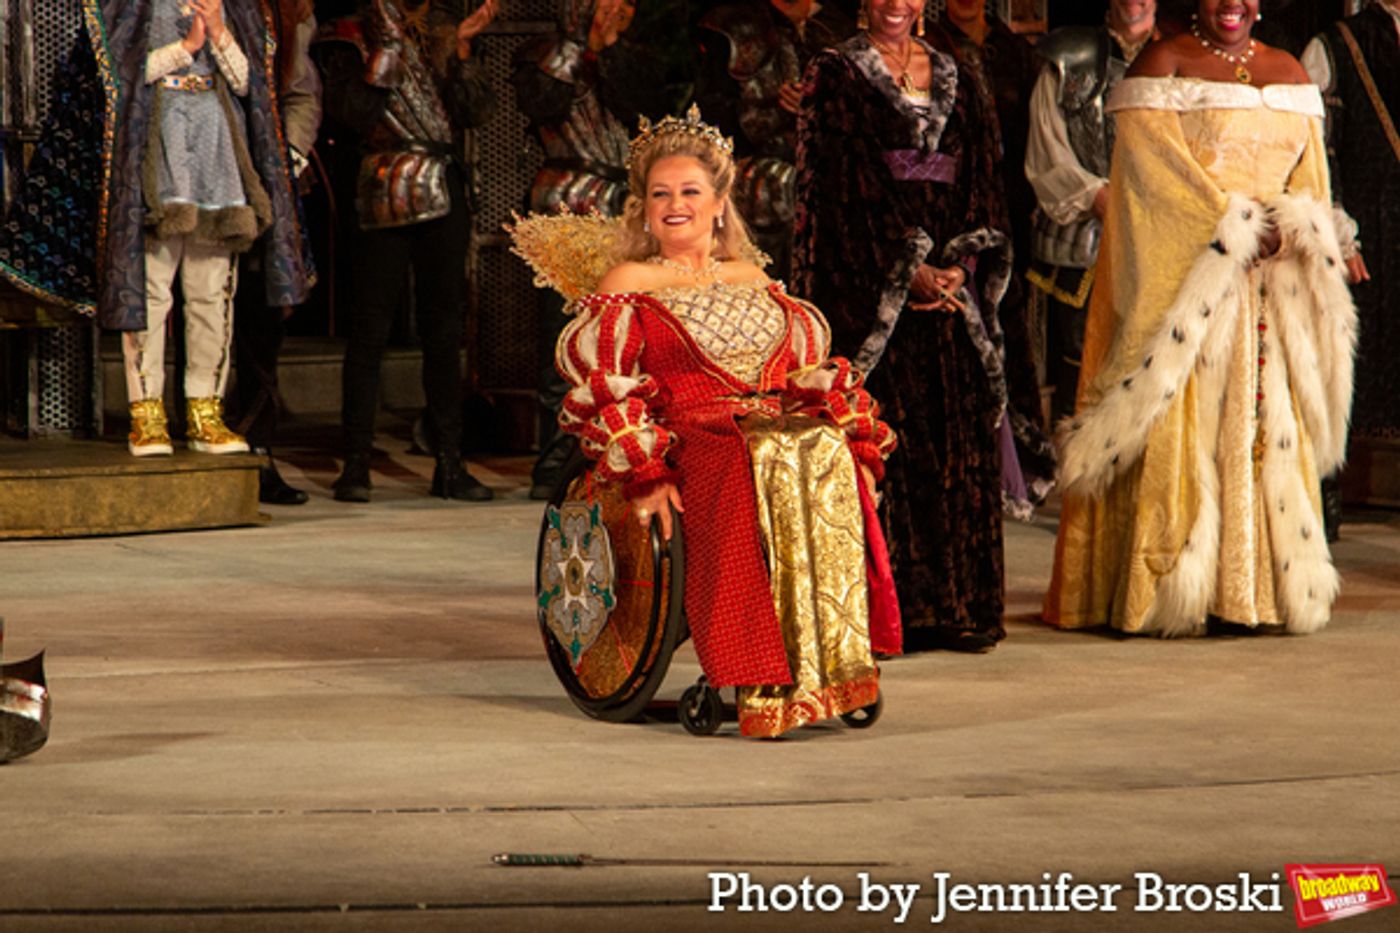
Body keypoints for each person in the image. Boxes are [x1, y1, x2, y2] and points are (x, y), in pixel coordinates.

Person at [514, 105, 900, 738]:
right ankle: (758, 669)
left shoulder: (753, 278)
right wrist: (644, 470)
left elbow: (803, 369)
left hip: (771, 425)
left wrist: (846, 435)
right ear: (641, 207)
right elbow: (605, 384)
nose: (675, 205)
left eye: (690, 192)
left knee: (820, 446)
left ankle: (829, 663)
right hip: (692, 433)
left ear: (720, 202)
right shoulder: (630, 281)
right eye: (660, 194)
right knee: (745, 458)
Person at [1043, 0, 1359, 637]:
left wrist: (1294, 227)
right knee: (1180, 422)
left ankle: (1254, 590)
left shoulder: (1290, 71)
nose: (1232, 6)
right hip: (1193, 282)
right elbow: (1148, 180)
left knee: (1269, 427)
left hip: (1271, 293)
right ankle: (1167, 593)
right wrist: (1237, 227)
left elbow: (1313, 180)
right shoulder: (1165, 63)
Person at [793, 0, 1049, 654]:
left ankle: (960, 609)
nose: (894, 5)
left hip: (953, 291)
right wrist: (906, 267)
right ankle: (887, 615)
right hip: (874, 293)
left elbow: (984, 177)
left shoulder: (960, 70)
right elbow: (835, 190)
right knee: (892, 447)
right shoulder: (837, 75)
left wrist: (960, 261)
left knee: (958, 443)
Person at [0, 1, 312, 458]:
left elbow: (250, 85)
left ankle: (206, 409)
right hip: (156, 155)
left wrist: (221, 34)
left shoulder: (239, 8)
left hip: (216, 155)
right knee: (152, 293)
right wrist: (185, 48)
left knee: (212, 294)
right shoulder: (129, 8)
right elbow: (114, 79)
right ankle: (147, 413)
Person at [315, 0, 499, 503]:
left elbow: (474, 113)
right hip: (382, 185)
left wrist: (461, 50)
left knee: (444, 330)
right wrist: (388, 48)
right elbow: (353, 113)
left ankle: (451, 463)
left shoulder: (438, 29)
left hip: (442, 185)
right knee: (369, 328)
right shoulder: (349, 35)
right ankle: (356, 463)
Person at [511, 0, 667, 500]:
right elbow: (543, 104)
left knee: (621, 337)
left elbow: (641, 110)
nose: (617, 9)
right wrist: (579, 46)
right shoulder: (539, 56)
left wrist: (611, 50)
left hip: (623, 208)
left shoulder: (638, 58)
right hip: (564, 206)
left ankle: (610, 449)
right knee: (562, 338)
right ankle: (553, 462)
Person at [1025, 0, 1159, 423]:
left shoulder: (1185, 57)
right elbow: (1046, 148)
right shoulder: (1072, 57)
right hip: (1081, 242)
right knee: (1080, 368)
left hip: (1165, 241)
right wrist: (1095, 197)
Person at [1302, 0, 1398, 529]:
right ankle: (1327, 491)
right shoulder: (1335, 46)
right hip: (1363, 228)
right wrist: (1340, 232)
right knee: (1341, 362)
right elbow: (1318, 151)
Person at [693, 0, 857, 283]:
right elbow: (711, 115)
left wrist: (825, 106)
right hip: (756, 174)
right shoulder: (731, 25)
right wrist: (775, 107)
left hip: (836, 173)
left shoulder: (840, 25)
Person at [232, 0, 322, 504]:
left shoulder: (289, 9)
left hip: (265, 181)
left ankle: (258, 450)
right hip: (201, 163)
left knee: (262, 317)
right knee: (198, 309)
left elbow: (302, 91)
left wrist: (287, 158)